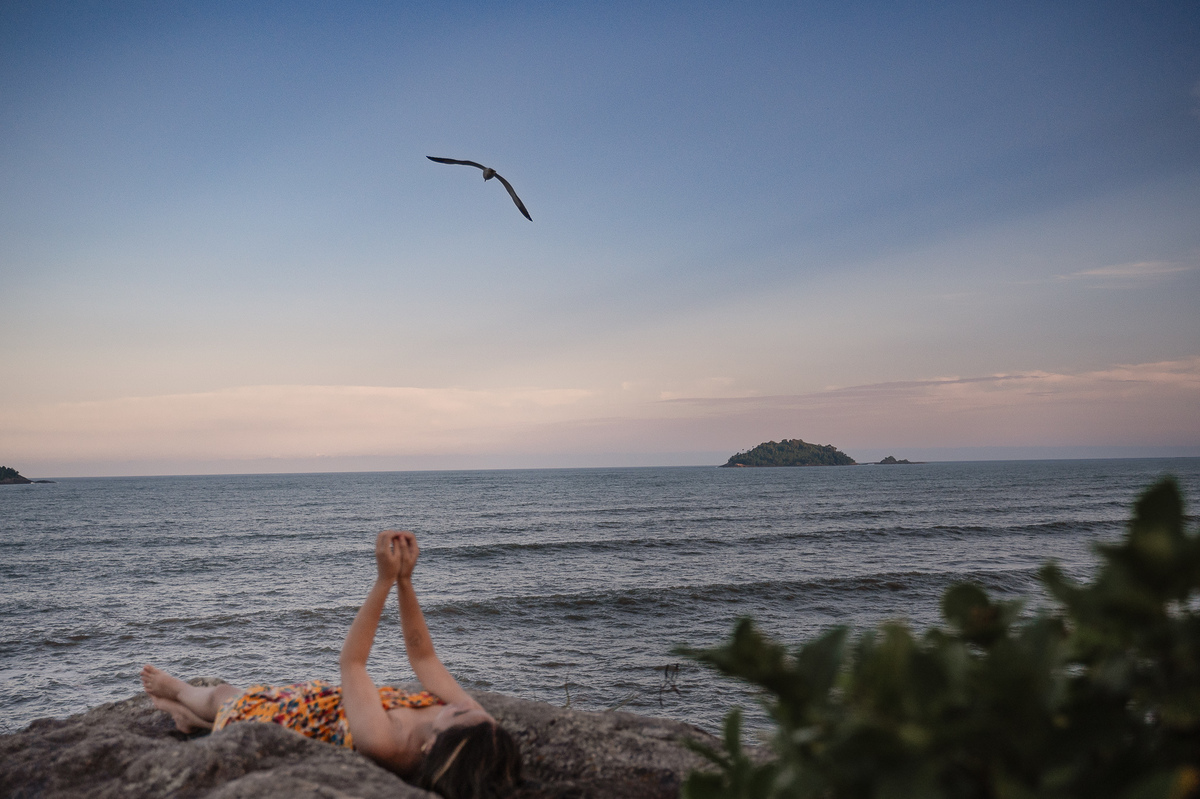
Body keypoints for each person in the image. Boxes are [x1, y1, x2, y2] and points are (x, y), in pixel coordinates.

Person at [140, 530, 521, 799]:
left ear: (432, 745)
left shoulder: (386, 744)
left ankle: (181, 695)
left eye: (456, 714)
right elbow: (424, 658)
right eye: (478, 714)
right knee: (234, 697)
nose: (462, 704)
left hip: (299, 721)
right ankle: (195, 721)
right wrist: (406, 581)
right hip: (331, 701)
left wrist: (383, 581)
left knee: (226, 697)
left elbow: (353, 664)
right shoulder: (476, 727)